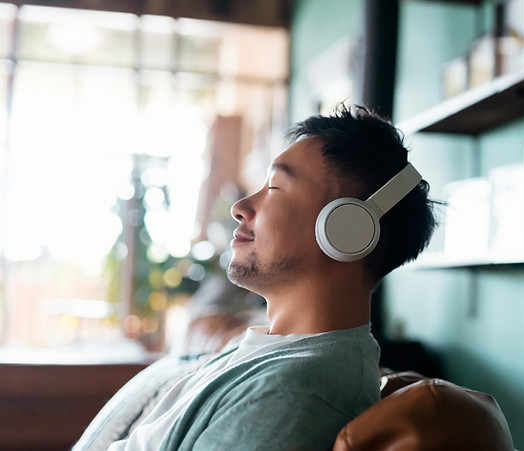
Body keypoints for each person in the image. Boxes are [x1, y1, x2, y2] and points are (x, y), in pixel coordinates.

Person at [93, 105, 438, 450]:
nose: (239, 207)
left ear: (347, 229)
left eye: (274, 187)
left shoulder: (293, 393)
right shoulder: (267, 352)